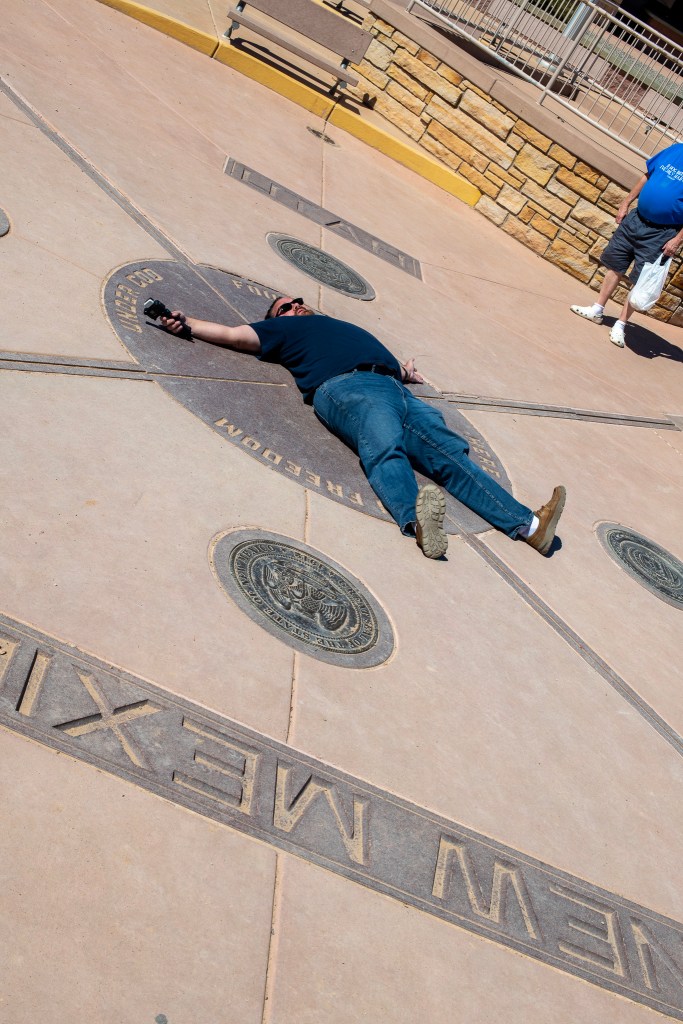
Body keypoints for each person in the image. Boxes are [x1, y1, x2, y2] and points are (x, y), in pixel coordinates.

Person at [160, 297, 565, 559]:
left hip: (396, 389)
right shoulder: (281, 330)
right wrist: (187, 322)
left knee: (451, 455)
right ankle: (419, 523)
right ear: (276, 320)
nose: (296, 306)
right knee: (383, 445)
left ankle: (529, 526)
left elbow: (384, 361)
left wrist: (404, 373)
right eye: (285, 307)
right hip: (346, 386)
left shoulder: (334, 325)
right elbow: (233, 335)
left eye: (297, 301)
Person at [571, 142, 683, 348]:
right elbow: (647, 175)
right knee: (615, 265)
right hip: (635, 220)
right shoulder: (675, 150)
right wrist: (626, 202)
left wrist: (677, 240)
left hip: (662, 233)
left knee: (640, 280)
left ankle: (621, 324)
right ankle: (597, 309)